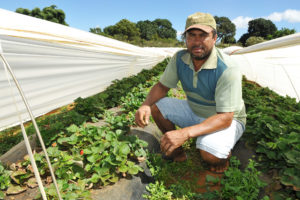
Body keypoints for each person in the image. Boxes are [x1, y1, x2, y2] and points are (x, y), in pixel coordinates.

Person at [135, 12, 246, 173]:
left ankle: (222, 155)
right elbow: (162, 87)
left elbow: (226, 118)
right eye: (191, 35)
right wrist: (145, 104)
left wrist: (184, 133)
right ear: (185, 38)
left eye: (203, 35)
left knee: (209, 154)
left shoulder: (227, 69)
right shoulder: (180, 58)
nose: (197, 42)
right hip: (196, 110)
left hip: (227, 119)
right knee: (157, 107)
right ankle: (178, 152)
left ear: (214, 38)